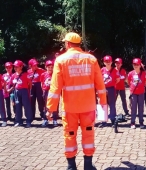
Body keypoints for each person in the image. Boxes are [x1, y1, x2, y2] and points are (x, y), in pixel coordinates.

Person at [46, 32, 106, 170]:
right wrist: (103, 102)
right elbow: (100, 84)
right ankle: (88, 165)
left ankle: (71, 166)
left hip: (70, 108)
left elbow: (55, 87)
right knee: (88, 133)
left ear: (67, 44)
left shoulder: (61, 60)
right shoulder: (91, 59)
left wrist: (50, 108)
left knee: (69, 134)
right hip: (88, 107)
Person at [9, 60, 33, 128]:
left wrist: (29, 91)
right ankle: (19, 121)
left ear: (21, 67)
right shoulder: (13, 75)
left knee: (27, 106)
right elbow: (11, 84)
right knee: (18, 106)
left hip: (24, 91)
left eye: (17, 66)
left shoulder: (26, 74)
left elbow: (30, 84)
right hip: (16, 92)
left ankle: (28, 121)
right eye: (14, 67)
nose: (15, 68)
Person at [99, 56, 120, 127]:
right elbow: (98, 80)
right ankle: (103, 121)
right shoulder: (102, 70)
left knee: (112, 105)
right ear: (104, 62)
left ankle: (113, 120)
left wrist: (112, 84)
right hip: (103, 89)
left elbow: (118, 79)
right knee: (102, 104)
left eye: (109, 61)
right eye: (106, 62)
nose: (108, 63)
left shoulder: (115, 71)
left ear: (111, 62)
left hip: (111, 89)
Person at [127, 58, 146, 129]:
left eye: (137, 64)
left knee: (141, 108)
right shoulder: (130, 73)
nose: (135, 66)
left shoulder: (143, 73)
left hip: (141, 93)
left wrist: (141, 87)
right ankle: (132, 122)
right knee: (133, 108)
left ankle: (141, 122)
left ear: (140, 65)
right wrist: (132, 87)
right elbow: (129, 81)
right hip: (133, 93)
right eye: (134, 64)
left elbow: (145, 82)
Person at [41, 60, 58, 127]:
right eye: (49, 67)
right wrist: (43, 90)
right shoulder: (43, 74)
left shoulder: (55, 74)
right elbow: (41, 83)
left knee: (54, 106)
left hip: (53, 92)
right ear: (46, 67)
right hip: (46, 91)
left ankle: (55, 119)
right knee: (46, 106)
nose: (50, 68)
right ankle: (45, 120)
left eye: (52, 67)